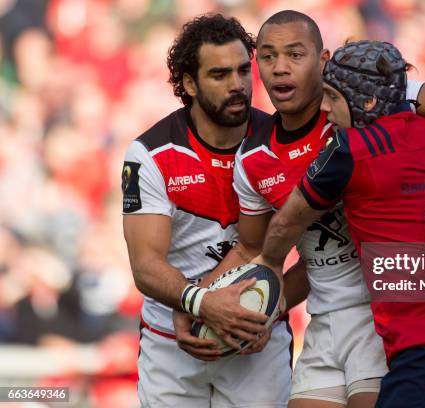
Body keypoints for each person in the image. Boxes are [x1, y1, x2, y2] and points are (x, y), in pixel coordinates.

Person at [174, 10, 425, 408]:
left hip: (378, 322)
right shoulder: (254, 159)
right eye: (268, 56)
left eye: (296, 55)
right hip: (323, 321)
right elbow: (252, 251)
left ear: (323, 61)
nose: (280, 68)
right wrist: (204, 301)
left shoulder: (368, 111)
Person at [121, 14, 292, 407]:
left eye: (242, 71)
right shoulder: (150, 154)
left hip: (255, 341)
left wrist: (271, 309)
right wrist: (200, 304)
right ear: (189, 83)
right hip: (173, 341)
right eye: (219, 75)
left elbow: (315, 258)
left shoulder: (279, 142)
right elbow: (145, 264)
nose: (237, 85)